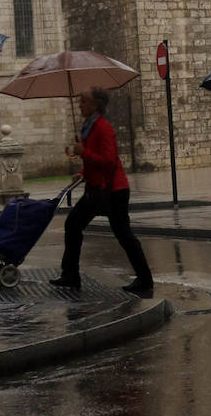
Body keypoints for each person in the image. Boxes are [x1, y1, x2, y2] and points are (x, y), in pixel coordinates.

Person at [51, 87, 154, 297]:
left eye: (84, 101)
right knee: (73, 224)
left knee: (124, 235)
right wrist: (82, 172)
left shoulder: (104, 128)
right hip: (96, 189)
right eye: (80, 101)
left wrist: (84, 152)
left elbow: (108, 161)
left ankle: (145, 279)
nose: (80, 105)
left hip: (113, 190)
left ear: (96, 105)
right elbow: (94, 161)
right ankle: (70, 274)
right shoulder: (88, 128)